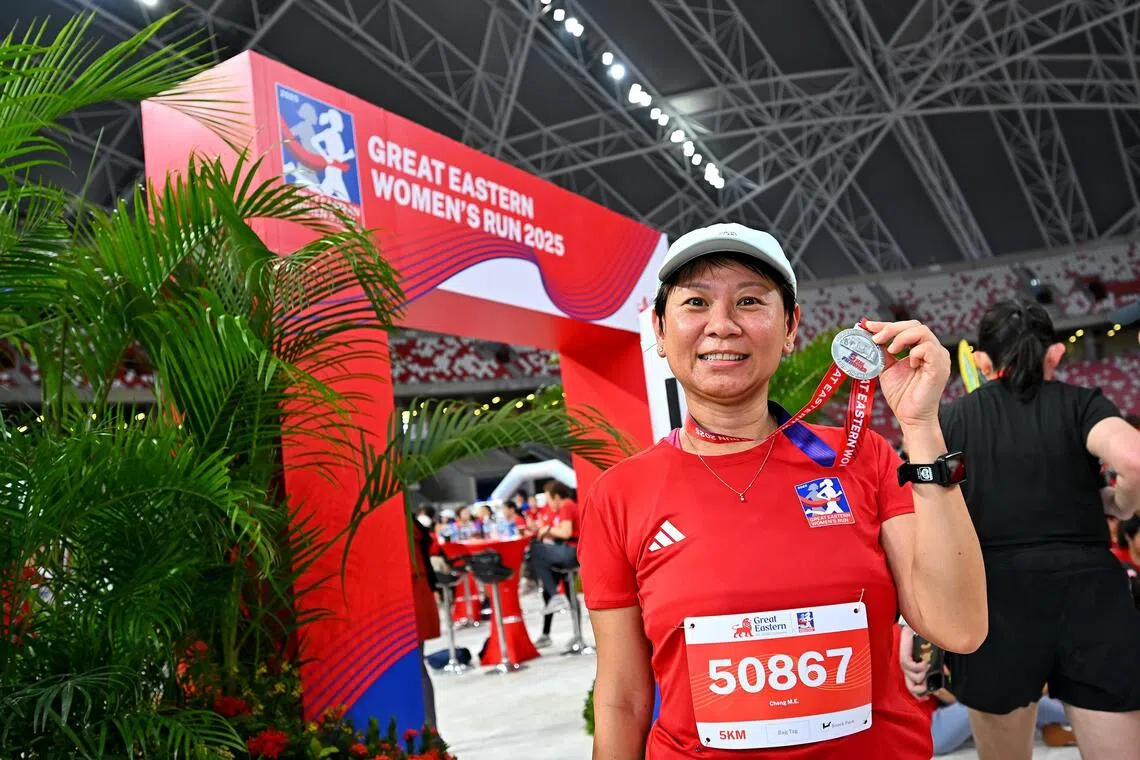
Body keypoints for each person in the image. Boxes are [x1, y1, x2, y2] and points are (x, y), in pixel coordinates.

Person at [579, 222, 987, 759]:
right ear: (659, 329)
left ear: (790, 326)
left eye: (750, 301)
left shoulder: (861, 458)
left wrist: (921, 427)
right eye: (695, 303)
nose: (722, 325)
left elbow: (958, 627)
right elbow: (623, 699)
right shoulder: (618, 496)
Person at [938, 298, 1140, 760]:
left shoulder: (953, 418)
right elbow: (1133, 459)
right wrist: (1122, 506)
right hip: (1091, 592)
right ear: (1055, 354)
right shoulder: (1082, 404)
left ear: (982, 363)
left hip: (994, 598)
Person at [896, 623, 1075, 754]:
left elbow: (942, 692)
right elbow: (942, 693)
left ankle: (1065, 714)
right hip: (928, 727)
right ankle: (1069, 713)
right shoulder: (911, 636)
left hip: (931, 714)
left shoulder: (916, 634)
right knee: (994, 696)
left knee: (998, 695)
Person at [531, 481, 579, 616]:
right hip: (571, 550)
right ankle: (554, 595)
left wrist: (548, 529)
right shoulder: (570, 506)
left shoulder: (566, 507)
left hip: (571, 552)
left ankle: (555, 596)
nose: (548, 503)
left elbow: (566, 533)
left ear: (557, 497)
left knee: (536, 550)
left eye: (549, 499)